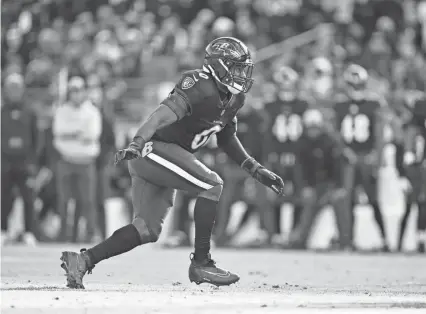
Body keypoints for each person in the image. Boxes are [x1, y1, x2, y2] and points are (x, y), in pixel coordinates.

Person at [60, 37, 285, 289]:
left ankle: (82, 260)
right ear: (219, 66)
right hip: (153, 151)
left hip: (165, 158)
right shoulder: (199, 84)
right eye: (236, 67)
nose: (241, 74)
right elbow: (159, 117)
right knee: (212, 185)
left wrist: (254, 168)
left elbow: (226, 138)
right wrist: (136, 143)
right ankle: (201, 263)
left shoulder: (235, 99)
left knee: (146, 229)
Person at [333, 64, 390, 252]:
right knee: (348, 199)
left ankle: (384, 240)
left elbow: (380, 134)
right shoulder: (340, 104)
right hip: (348, 158)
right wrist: (344, 151)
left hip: (366, 156)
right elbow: (336, 133)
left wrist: (376, 156)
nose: (354, 88)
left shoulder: (374, 103)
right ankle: (349, 240)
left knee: (373, 199)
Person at [288, 109, 353, 250]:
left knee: (340, 202)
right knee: (309, 203)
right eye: (310, 128)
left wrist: (340, 187)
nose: (313, 131)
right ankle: (300, 240)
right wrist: (304, 188)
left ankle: (345, 242)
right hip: (313, 185)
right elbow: (299, 170)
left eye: (315, 127)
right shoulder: (301, 143)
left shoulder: (331, 141)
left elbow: (339, 167)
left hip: (331, 184)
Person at [262, 66, 308, 245]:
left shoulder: (303, 105)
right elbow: (266, 134)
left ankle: (295, 234)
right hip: (276, 156)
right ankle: (276, 233)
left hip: (298, 157)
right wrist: (270, 155)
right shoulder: (269, 106)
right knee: (275, 195)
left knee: (298, 195)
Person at [53, 76, 102, 243]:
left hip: (86, 161)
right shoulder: (61, 110)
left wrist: (69, 133)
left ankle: (90, 234)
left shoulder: (92, 111)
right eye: (72, 91)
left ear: (84, 91)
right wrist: (77, 132)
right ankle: (63, 234)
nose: (76, 94)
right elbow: (58, 132)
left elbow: (92, 135)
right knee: (64, 200)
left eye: (78, 90)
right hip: (66, 160)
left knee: (87, 201)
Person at [1, 73, 40, 245]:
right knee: (4, 197)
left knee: (28, 198)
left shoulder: (30, 112)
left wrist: (33, 161)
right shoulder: (2, 111)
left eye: (17, 87)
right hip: (5, 162)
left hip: (25, 162)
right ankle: (2, 230)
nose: (14, 91)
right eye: (11, 87)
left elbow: (37, 138)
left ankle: (29, 232)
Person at [400, 91, 426, 253]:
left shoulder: (411, 128)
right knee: (418, 204)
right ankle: (417, 240)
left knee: (415, 205)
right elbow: (407, 152)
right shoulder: (413, 129)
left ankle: (401, 241)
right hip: (416, 169)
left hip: (415, 168)